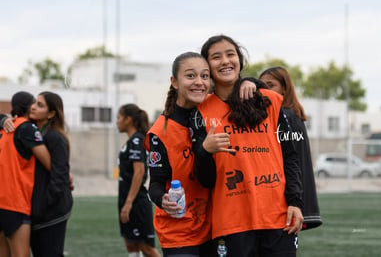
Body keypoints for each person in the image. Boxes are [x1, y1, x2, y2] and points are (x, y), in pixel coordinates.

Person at [189, 35, 304, 257]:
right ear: (207, 67)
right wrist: (205, 151)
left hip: (278, 218)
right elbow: (205, 180)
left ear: (239, 60)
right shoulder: (200, 112)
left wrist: (296, 201)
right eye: (216, 57)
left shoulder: (270, 100)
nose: (225, 61)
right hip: (232, 223)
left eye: (230, 54)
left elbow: (290, 156)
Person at [145, 51, 256, 257]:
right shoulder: (161, 132)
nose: (199, 82)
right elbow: (155, 185)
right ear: (174, 82)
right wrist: (163, 200)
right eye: (190, 76)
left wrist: (249, 82)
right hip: (180, 231)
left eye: (204, 76)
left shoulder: (214, 112)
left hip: (215, 227)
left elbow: (234, 85)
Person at [259, 66, 322, 230]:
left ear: (284, 88)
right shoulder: (293, 114)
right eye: (261, 86)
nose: (264, 91)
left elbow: (287, 160)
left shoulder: (284, 115)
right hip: (294, 197)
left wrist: (294, 199)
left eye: (270, 85)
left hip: (286, 199)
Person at [0, 91, 51, 257]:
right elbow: (50, 163)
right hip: (15, 202)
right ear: (28, 107)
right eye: (34, 103)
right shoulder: (26, 127)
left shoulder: (3, 130)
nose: (36, 107)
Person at [28, 91, 73, 257]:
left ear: (51, 113)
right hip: (41, 213)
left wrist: (43, 205)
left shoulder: (54, 137)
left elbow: (60, 177)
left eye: (40, 105)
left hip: (52, 213)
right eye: (34, 103)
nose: (33, 107)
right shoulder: (38, 135)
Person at [116, 103, 161, 257]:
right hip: (127, 199)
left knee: (145, 246)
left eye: (119, 117)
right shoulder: (131, 141)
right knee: (131, 244)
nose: (117, 121)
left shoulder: (137, 140)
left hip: (136, 202)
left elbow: (139, 171)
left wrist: (128, 204)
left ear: (128, 120)